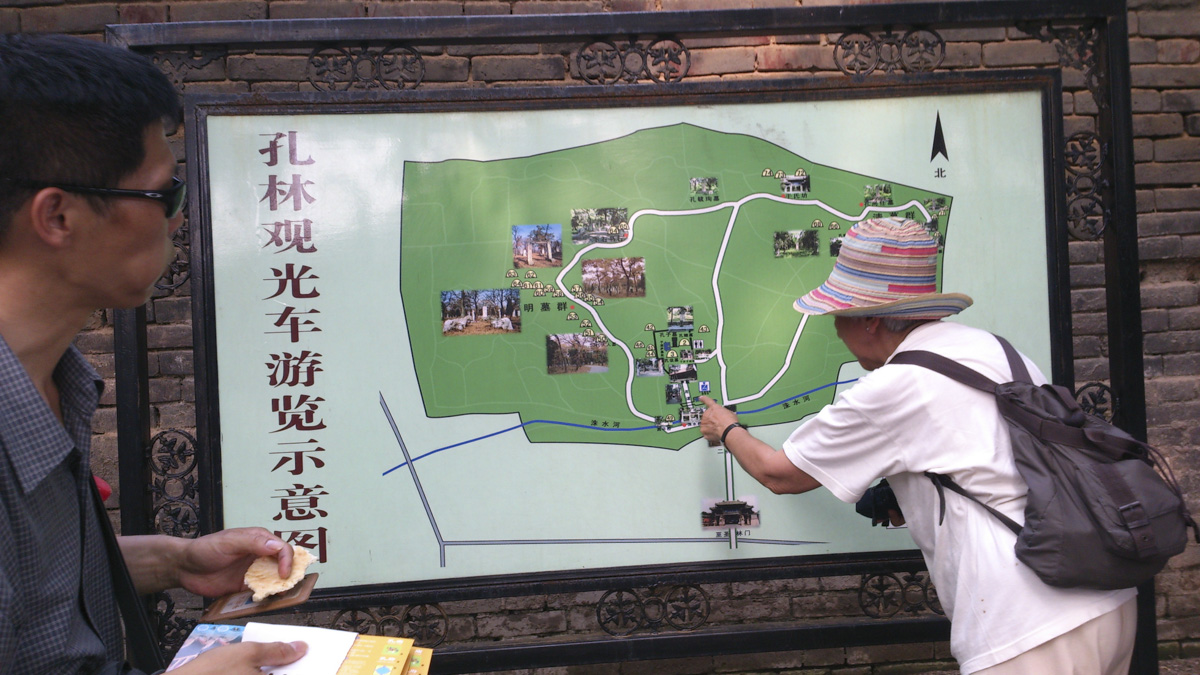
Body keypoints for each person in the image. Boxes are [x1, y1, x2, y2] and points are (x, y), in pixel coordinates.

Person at [699, 218, 1137, 674]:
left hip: (1028, 625)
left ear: (869, 320)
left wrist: (726, 428)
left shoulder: (894, 386)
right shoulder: (992, 348)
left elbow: (778, 473)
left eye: (838, 315)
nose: (836, 330)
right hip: (1106, 601)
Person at [0, 34, 308, 674]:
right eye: (163, 195)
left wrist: (177, 561)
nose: (177, 219)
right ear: (57, 217)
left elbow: (32, 586)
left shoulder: (54, 380)